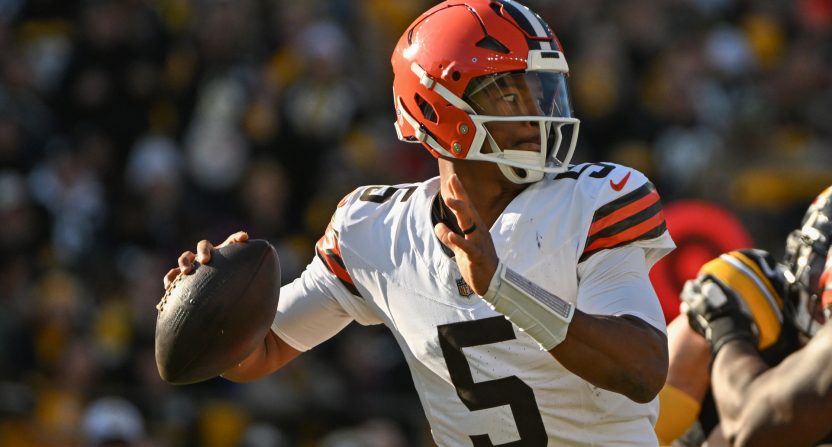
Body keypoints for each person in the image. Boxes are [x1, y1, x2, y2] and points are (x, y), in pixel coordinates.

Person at [164, 1, 674, 444]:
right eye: (510, 93)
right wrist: (210, 306)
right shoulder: (373, 229)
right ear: (437, 109)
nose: (536, 111)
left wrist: (503, 288)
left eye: (541, 90)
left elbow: (642, 369)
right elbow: (261, 351)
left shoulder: (592, 201)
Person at [658, 186, 832, 446]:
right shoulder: (758, 303)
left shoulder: (736, 310)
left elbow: (751, 427)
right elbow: (623, 425)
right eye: (823, 266)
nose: (824, 285)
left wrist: (726, 328)